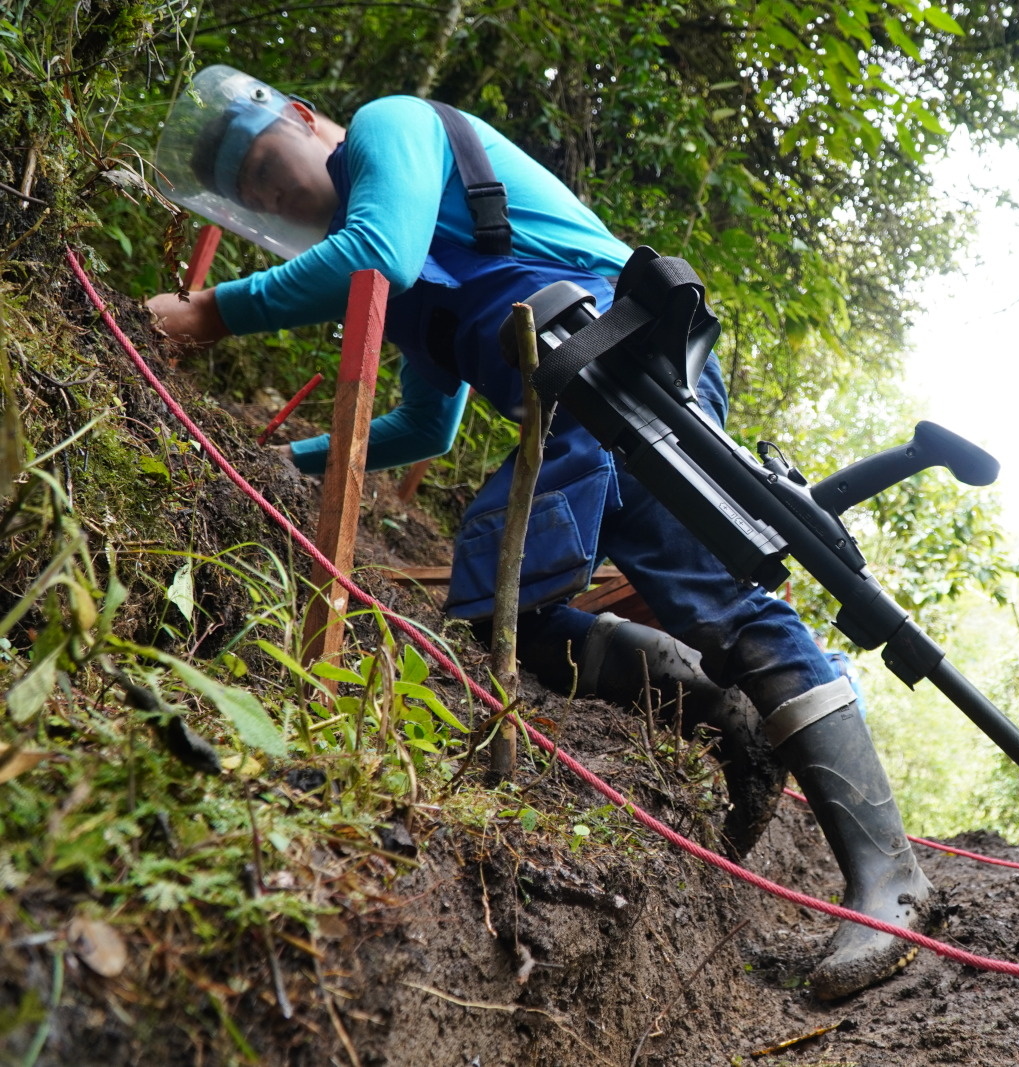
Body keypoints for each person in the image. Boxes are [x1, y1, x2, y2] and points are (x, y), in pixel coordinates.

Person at [146, 66, 934, 999]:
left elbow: (380, 252)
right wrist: (287, 466)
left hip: (627, 369)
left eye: (272, 166)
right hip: (568, 407)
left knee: (720, 601)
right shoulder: (395, 277)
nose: (277, 194)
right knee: (500, 607)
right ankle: (725, 717)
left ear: (308, 123)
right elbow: (421, 427)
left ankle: (890, 879)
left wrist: (211, 311)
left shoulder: (390, 131)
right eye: (258, 197)